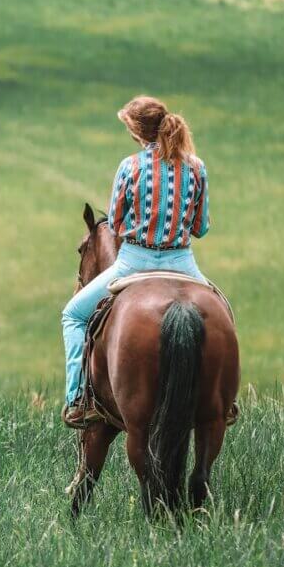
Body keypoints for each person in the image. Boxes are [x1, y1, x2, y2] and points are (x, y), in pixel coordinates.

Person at [62, 96, 211, 426]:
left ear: (136, 132)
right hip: (183, 264)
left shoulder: (129, 167)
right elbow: (201, 227)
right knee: (222, 312)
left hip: (134, 263)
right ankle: (223, 400)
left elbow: (114, 224)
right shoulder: (197, 168)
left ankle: (77, 398)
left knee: (72, 315)